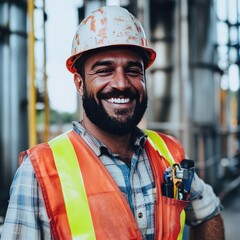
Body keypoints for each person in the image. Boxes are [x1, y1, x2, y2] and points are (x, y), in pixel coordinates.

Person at [1, 6, 224, 240]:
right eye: (104, 70)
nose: (121, 83)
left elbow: (208, 212)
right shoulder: (40, 172)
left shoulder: (168, 153)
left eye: (133, 70)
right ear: (79, 84)